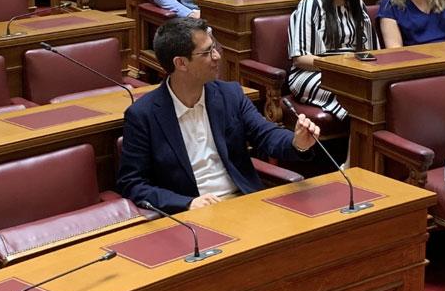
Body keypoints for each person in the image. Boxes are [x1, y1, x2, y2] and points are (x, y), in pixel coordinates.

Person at [117, 16, 321, 212]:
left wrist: (297, 143)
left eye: (214, 48)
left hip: (244, 203)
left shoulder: (230, 94)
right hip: (191, 217)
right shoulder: (143, 115)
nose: (217, 56)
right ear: (181, 63)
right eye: (206, 53)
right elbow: (133, 183)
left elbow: (265, 134)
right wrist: (186, 203)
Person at [287, 0, 375, 128]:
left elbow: (369, 52)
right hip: (312, 73)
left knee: (378, 91)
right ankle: (355, 154)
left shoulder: (358, 4)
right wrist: (339, 68)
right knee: (357, 93)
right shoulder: (311, 3)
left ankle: (362, 153)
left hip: (352, 73)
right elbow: (300, 58)